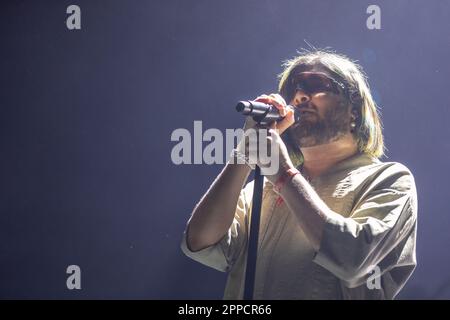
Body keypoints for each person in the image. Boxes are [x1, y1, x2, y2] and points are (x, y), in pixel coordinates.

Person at [180, 49, 418, 299]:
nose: (300, 96)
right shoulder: (261, 189)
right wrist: (244, 153)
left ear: (354, 109)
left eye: (316, 84)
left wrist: (283, 175)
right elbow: (199, 242)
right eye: (293, 88)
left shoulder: (390, 179)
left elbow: (353, 258)